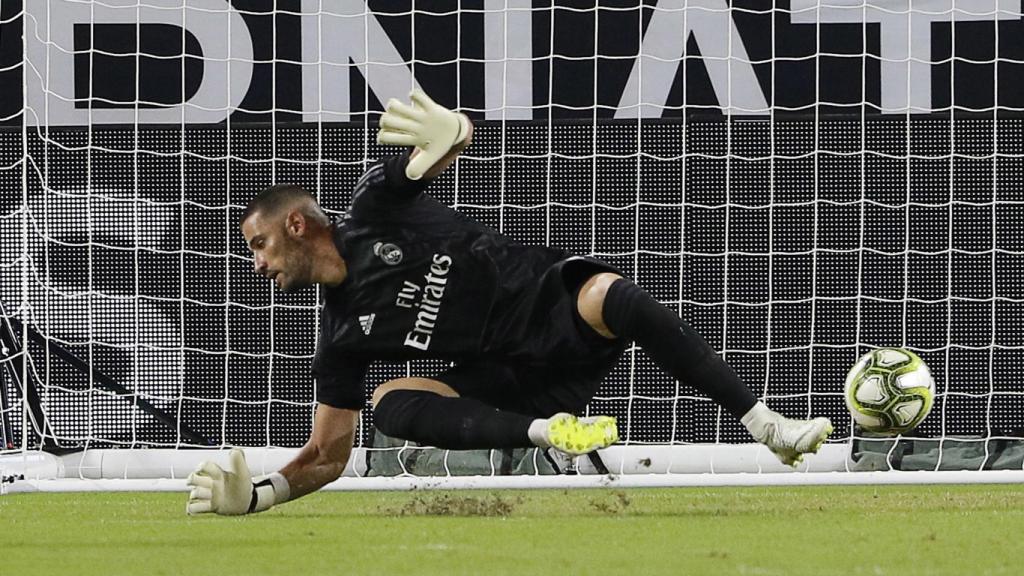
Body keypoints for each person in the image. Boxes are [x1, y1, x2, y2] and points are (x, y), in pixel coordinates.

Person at [185, 90, 832, 516]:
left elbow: (442, 146)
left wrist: (452, 128)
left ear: (297, 226)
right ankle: (550, 434)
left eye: (260, 245)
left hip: (553, 308)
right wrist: (259, 496)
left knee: (614, 295)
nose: (258, 266)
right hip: (510, 383)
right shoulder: (341, 341)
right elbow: (328, 454)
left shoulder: (371, 210)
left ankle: (766, 425)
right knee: (387, 404)